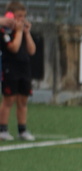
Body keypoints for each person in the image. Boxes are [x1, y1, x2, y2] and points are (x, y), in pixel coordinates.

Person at [0, 1, 37, 142]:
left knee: (23, 100)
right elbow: (14, 48)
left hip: (24, 67)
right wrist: (20, 32)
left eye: (24, 16)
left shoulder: (23, 31)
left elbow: (32, 50)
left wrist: (26, 33)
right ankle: (2, 129)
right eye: (19, 16)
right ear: (11, 16)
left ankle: (22, 130)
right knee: (9, 99)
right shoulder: (6, 31)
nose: (22, 19)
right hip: (10, 68)